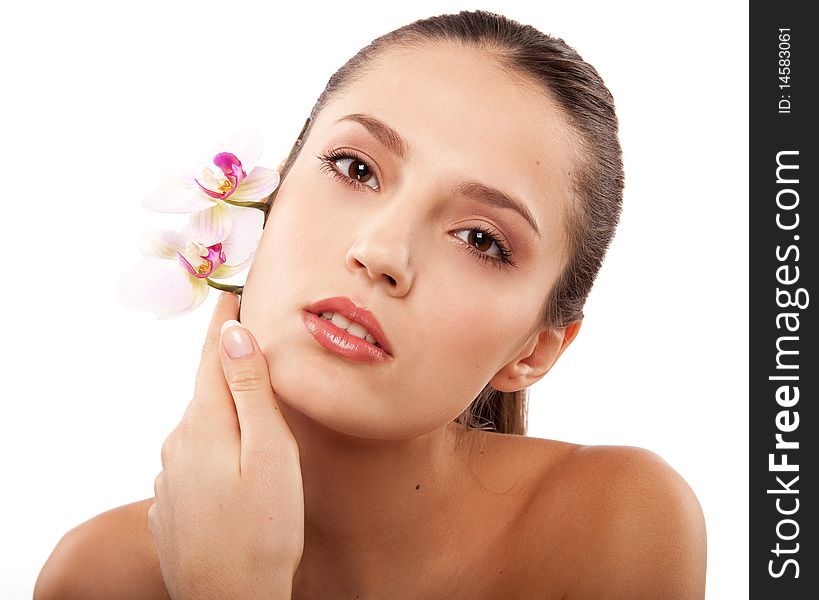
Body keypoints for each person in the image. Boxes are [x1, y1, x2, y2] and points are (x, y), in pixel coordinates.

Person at [34, 10, 707, 599]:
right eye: (356, 169)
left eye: (480, 240)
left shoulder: (613, 524)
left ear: (533, 351)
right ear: (266, 201)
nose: (381, 251)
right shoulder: (96, 576)